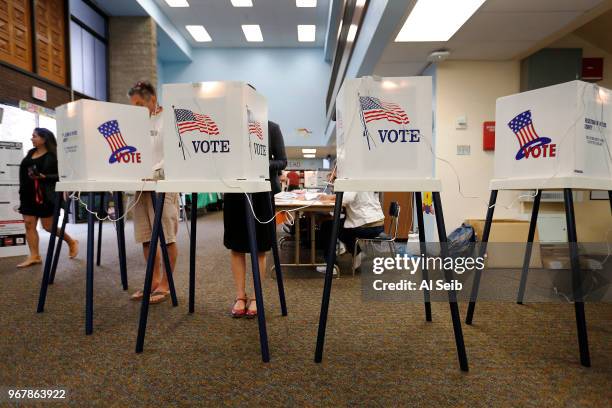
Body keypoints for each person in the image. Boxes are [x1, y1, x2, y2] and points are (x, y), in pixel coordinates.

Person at [224, 120, 287, 318]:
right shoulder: (230, 126)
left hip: (262, 192)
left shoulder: (271, 127)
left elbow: (282, 161)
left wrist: (261, 163)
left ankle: (256, 297)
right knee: (236, 245)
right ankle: (240, 296)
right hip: (234, 190)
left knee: (260, 246)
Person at [128, 81, 179, 304]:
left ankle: (166, 285)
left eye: (140, 104)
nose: (137, 109)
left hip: (163, 185)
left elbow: (174, 154)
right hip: (140, 187)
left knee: (167, 237)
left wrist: (155, 172)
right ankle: (154, 281)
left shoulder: (169, 119)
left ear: (152, 100)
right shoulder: (138, 122)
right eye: (133, 105)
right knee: (146, 238)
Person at [17, 128, 79, 268]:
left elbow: (63, 175)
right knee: (29, 224)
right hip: (27, 194)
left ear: (44, 139)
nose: (31, 138)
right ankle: (35, 256)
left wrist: (45, 177)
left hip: (45, 196)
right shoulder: (31, 153)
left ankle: (71, 241)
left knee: (48, 227)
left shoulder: (53, 156)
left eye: (34, 136)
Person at [317, 169, 385, 272]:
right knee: (340, 225)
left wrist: (329, 197)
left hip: (366, 224)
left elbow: (346, 199)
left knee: (329, 227)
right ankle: (357, 253)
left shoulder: (353, 178)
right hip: (377, 222)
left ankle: (331, 267)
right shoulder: (364, 176)